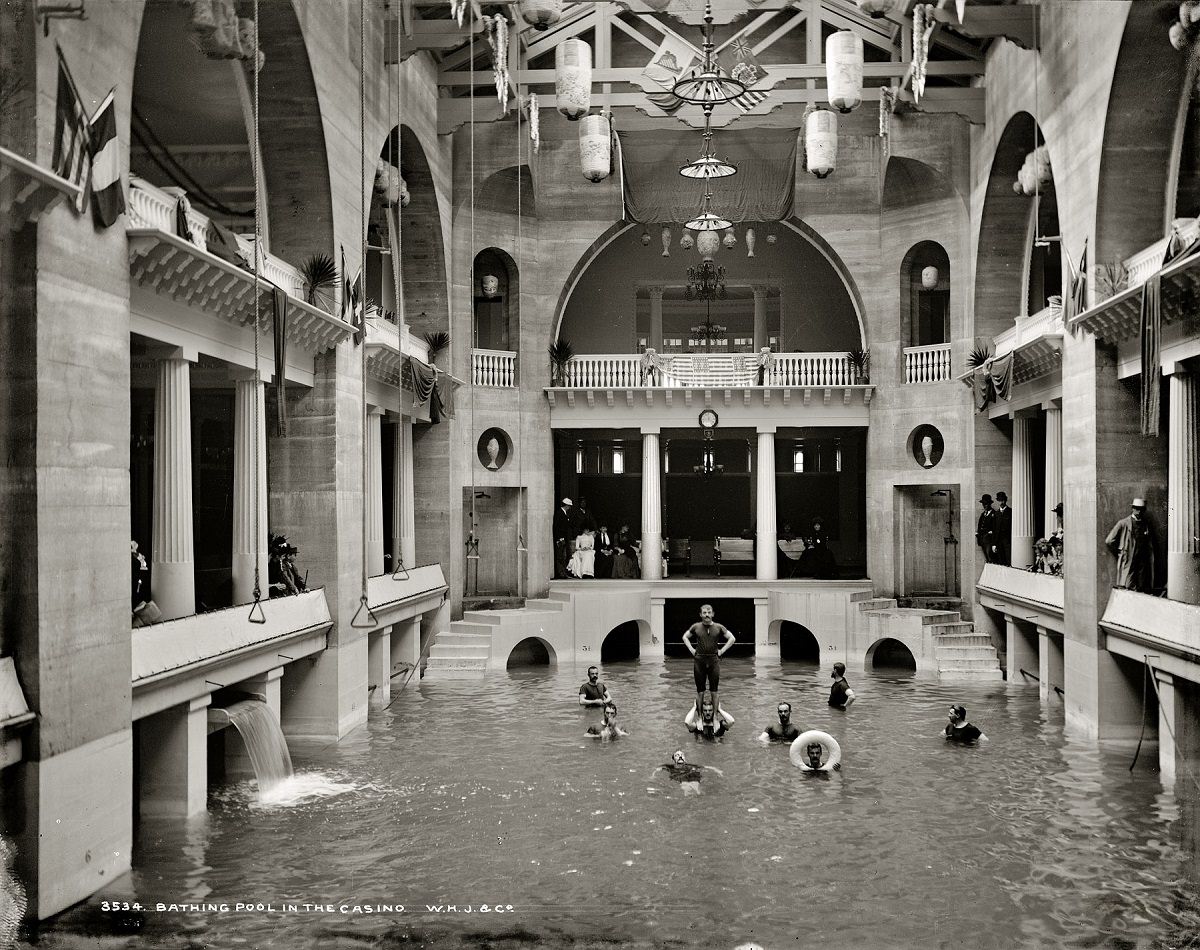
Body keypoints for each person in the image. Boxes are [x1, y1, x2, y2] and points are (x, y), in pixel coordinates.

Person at [682, 603, 736, 713]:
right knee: (700, 691)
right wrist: (692, 650)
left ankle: (715, 717)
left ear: (713, 614)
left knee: (714, 691)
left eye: (709, 612)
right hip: (699, 661)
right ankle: (700, 717)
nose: (707, 615)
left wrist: (722, 651)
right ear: (700, 615)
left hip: (713, 661)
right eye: (704, 613)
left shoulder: (718, 627)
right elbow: (685, 637)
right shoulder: (696, 626)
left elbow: (732, 638)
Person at [1105, 497, 1156, 593]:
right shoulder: (1123, 523)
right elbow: (1109, 540)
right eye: (1136, 508)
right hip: (1128, 559)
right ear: (1132, 508)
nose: (1138, 511)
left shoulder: (1145, 524)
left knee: (1141, 587)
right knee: (1127, 586)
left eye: (1141, 509)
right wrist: (1121, 551)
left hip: (1142, 561)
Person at [654, 750, 723, 796]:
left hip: (693, 777)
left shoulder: (691, 765)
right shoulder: (669, 766)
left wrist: (717, 770)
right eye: (677, 755)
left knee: (697, 791)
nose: (680, 756)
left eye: (681, 755)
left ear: (684, 758)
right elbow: (658, 769)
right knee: (687, 790)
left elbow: (707, 767)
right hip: (680, 777)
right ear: (674, 759)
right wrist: (653, 775)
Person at [553, 498, 578, 579]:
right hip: (561, 538)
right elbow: (557, 527)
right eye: (569, 506)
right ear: (566, 505)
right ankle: (561, 573)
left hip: (564, 538)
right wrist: (559, 538)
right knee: (560, 556)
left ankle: (563, 572)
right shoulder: (559, 513)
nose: (570, 507)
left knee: (563, 556)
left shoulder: (564, 513)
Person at [994, 491, 1013, 566]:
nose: (1001, 502)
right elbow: (995, 529)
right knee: (1000, 560)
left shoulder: (1010, 512)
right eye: (999, 500)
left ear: (1005, 500)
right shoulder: (996, 513)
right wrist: (994, 544)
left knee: (1008, 560)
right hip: (999, 541)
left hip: (1007, 540)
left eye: (1002, 500)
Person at [976, 494, 997, 564]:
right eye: (983, 504)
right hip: (982, 539)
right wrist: (978, 533)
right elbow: (980, 525)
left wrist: (991, 533)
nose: (984, 506)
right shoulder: (983, 514)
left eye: (986, 504)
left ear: (990, 504)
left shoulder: (994, 514)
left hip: (989, 540)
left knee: (990, 557)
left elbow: (996, 529)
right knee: (987, 558)